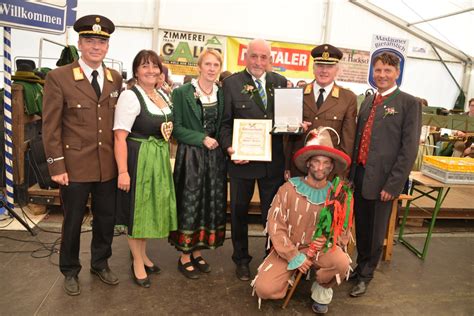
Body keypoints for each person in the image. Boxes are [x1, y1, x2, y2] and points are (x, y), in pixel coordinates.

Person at [42, 15, 123, 296]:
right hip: (73, 167)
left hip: (107, 167)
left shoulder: (115, 78)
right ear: (79, 44)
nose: (96, 46)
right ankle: (70, 269)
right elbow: (50, 126)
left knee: (106, 219)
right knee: (73, 221)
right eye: (90, 41)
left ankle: (100, 263)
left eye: (101, 42)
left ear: (107, 47)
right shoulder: (59, 77)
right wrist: (56, 165)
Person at [253, 127, 353, 314]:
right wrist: (294, 256)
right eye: (315, 162)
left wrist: (331, 239)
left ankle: (321, 287)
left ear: (331, 166)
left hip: (320, 249)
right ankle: (289, 277)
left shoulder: (337, 195)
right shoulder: (288, 189)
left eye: (325, 163)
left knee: (342, 263)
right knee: (264, 289)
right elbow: (276, 227)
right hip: (289, 249)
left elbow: (344, 230)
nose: (320, 167)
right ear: (308, 164)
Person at [349, 52, 421, 297]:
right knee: (362, 227)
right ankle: (359, 267)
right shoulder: (368, 101)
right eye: (378, 70)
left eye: (387, 71)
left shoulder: (408, 103)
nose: (382, 75)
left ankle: (366, 275)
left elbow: (408, 149)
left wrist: (393, 185)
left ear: (397, 73)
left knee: (376, 231)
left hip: (383, 181)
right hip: (359, 175)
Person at [219, 39, 287, 281]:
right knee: (238, 213)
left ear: (270, 60)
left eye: (263, 57)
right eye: (254, 56)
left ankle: (272, 257)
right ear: (245, 57)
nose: (259, 62)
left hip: (273, 164)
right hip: (242, 163)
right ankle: (241, 260)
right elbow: (224, 124)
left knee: (272, 215)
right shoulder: (231, 83)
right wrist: (230, 148)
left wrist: (296, 125)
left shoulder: (280, 83)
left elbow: (285, 120)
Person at [114, 50, 177, 288]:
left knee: (148, 209)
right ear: (136, 71)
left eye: (155, 66)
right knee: (137, 211)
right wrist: (123, 171)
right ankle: (137, 262)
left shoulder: (161, 94)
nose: (150, 70)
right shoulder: (130, 96)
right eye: (144, 66)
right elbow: (119, 137)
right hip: (138, 157)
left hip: (157, 158)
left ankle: (143, 256)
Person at [168, 49, 227, 279]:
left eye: (216, 65)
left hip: (214, 158)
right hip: (191, 156)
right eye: (208, 64)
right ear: (199, 67)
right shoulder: (183, 92)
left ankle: (198, 250)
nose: (212, 69)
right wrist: (200, 138)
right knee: (189, 203)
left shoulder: (221, 93)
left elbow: (224, 124)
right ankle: (184, 255)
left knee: (209, 203)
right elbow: (177, 127)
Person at [285, 44, 357, 177]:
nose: (324, 71)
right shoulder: (297, 94)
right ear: (313, 68)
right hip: (299, 169)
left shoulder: (348, 98)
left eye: (329, 67)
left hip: (329, 172)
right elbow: (289, 137)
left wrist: (342, 174)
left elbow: (348, 141)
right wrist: (286, 167)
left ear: (337, 70)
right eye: (320, 66)